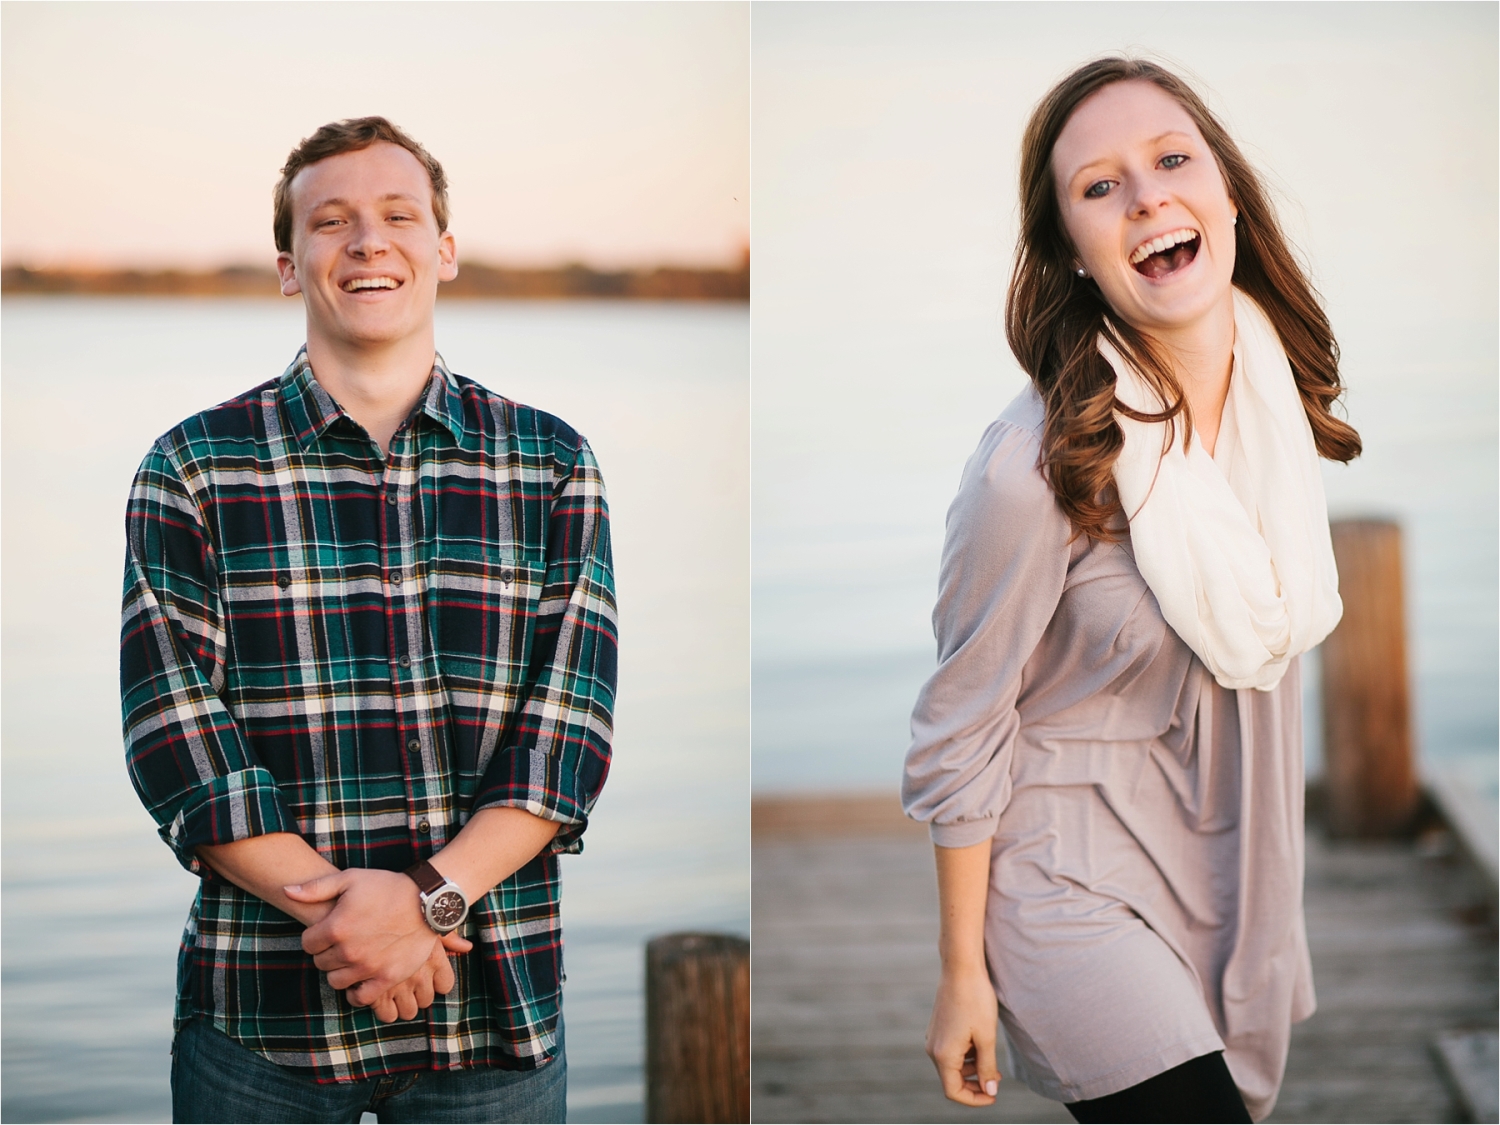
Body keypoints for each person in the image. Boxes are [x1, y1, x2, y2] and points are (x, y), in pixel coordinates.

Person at [121, 117, 617, 1124]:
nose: (367, 242)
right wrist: (361, 921)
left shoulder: (551, 463)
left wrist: (426, 903)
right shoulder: (193, 468)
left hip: (492, 1020)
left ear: (443, 249)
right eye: (331, 222)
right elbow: (177, 741)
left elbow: (566, 737)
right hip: (262, 1022)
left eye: (398, 216)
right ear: (287, 265)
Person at [902, 58, 1360, 1124]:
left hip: (1225, 859)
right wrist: (961, 971)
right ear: (1070, 247)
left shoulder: (1273, 403)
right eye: (1100, 185)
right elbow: (960, 722)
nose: (1148, 195)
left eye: (1169, 160)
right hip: (1065, 877)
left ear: (1226, 191)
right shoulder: (1035, 470)